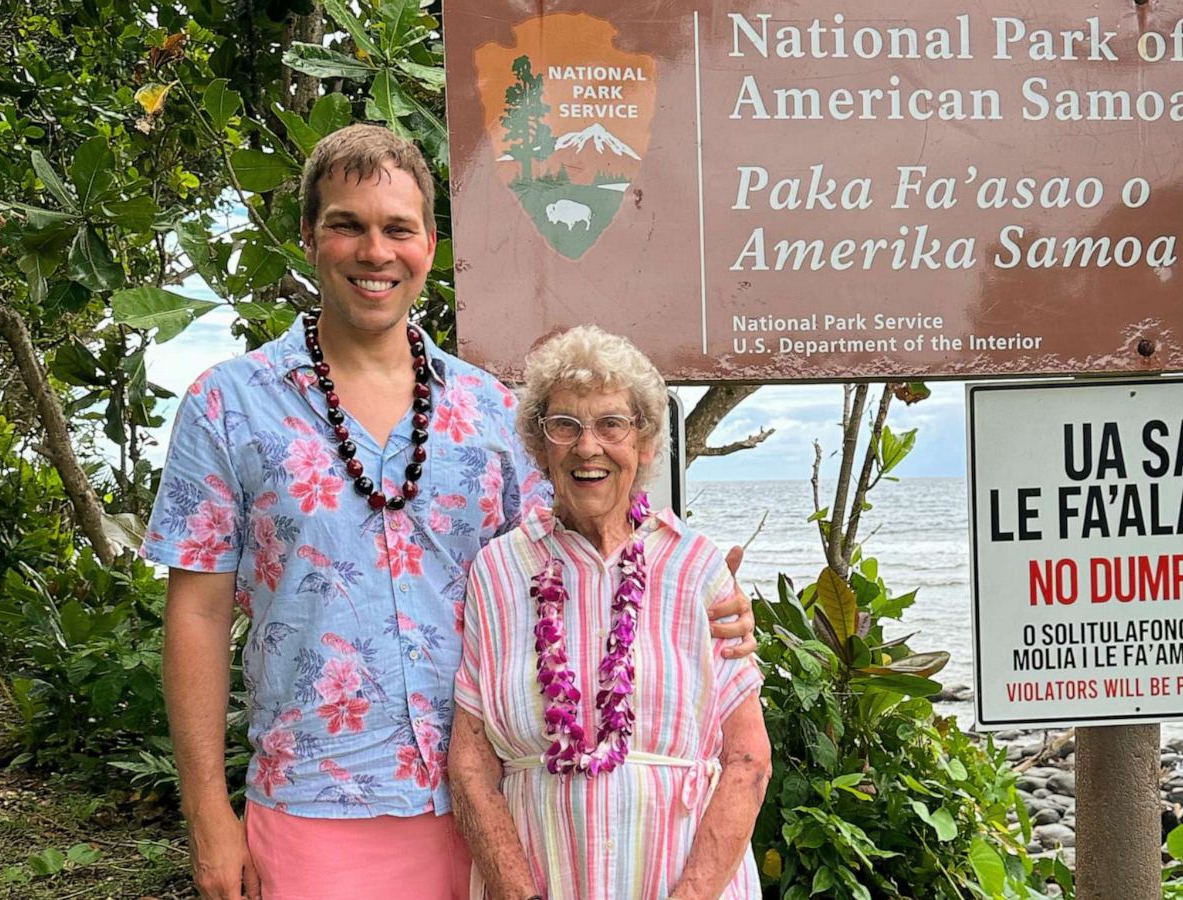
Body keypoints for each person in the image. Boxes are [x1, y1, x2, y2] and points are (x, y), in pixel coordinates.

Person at [141, 124, 757, 900]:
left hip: (496, 813)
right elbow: (196, 616)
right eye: (347, 225)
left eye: (398, 229)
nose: (375, 252)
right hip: (313, 808)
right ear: (308, 235)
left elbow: (579, 567)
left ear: (429, 245)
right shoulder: (228, 406)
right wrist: (207, 816)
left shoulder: (492, 413)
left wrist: (708, 605)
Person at [450, 326, 771, 900]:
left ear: (644, 445)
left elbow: (747, 760)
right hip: (539, 880)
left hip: (681, 883)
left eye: (611, 425)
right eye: (564, 426)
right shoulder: (498, 570)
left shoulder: (696, 568)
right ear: (540, 445)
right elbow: (472, 763)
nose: (587, 446)